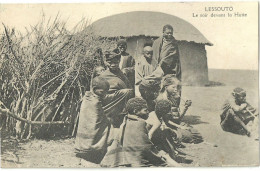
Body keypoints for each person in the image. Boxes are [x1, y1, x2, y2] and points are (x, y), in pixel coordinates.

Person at [75, 76, 111, 164]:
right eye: (102, 92)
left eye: (106, 92)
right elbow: (96, 119)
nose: (105, 94)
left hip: (80, 146)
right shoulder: (94, 102)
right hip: (89, 145)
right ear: (94, 89)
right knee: (108, 126)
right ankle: (94, 148)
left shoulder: (88, 97)